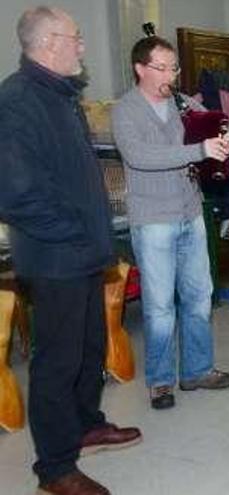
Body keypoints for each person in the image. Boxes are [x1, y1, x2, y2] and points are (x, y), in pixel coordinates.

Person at [0, 7, 141, 494]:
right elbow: (16, 194)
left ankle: (85, 424)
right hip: (56, 256)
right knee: (57, 361)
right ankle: (55, 469)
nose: (83, 47)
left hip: (82, 254)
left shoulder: (62, 96)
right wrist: (75, 235)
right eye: (76, 39)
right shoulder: (17, 101)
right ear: (47, 43)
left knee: (89, 349)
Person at [112, 35, 229, 410]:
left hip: (190, 210)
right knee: (159, 305)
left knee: (199, 297)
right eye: (162, 68)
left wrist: (228, 141)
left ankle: (197, 369)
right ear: (140, 69)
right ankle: (161, 380)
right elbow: (139, 156)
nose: (171, 75)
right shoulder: (125, 110)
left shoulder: (185, 103)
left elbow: (225, 138)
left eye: (175, 68)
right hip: (153, 219)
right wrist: (198, 150)